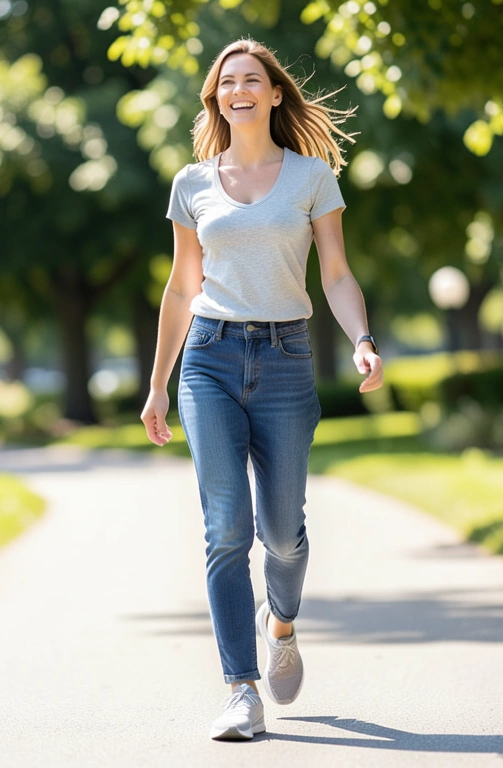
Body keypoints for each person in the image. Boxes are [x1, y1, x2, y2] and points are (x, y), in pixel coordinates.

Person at [141, 38, 384, 742]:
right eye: (226, 82)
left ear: (275, 94)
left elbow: (335, 273)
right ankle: (240, 690)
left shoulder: (311, 177)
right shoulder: (192, 184)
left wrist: (362, 339)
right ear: (215, 99)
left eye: (251, 79)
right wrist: (158, 385)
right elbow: (182, 287)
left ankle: (280, 621)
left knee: (282, 534)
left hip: (285, 359)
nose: (238, 90)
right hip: (209, 360)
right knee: (226, 530)